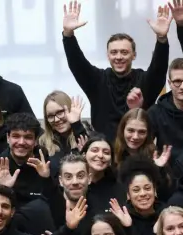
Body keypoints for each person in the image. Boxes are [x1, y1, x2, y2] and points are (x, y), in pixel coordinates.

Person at [61, 0, 171, 136]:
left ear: (134, 55)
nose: (118, 57)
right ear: (108, 56)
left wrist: (161, 38)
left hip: (137, 146)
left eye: (124, 52)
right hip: (103, 148)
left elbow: (158, 69)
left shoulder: (144, 80)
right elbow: (77, 64)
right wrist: (68, 35)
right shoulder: (98, 80)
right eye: (114, 52)